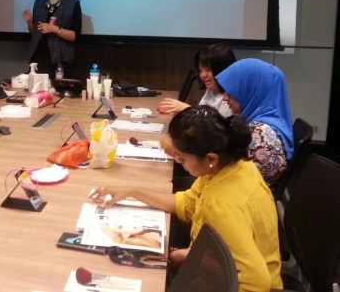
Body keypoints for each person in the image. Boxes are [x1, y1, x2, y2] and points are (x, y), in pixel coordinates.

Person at [90, 106, 282, 292]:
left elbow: (255, 284)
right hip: (223, 270)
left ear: (211, 158)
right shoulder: (230, 167)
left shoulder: (220, 204)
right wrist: (133, 191)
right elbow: (186, 204)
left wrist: (196, 259)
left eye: (182, 158)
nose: (178, 162)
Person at [216, 58, 293, 189]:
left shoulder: (260, 138)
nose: (224, 98)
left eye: (232, 91)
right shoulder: (267, 123)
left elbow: (228, 182)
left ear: (251, 90)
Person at [23, 0, 82, 78]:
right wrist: (29, 22)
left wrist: (54, 29)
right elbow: (35, 33)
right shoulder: (39, 3)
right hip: (38, 58)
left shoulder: (73, 5)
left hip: (60, 60)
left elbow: (74, 35)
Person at [159, 43, 236, 117]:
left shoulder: (231, 99)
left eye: (208, 69)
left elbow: (216, 125)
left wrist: (189, 110)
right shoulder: (212, 90)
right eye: (200, 70)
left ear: (223, 69)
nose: (203, 75)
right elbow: (201, 119)